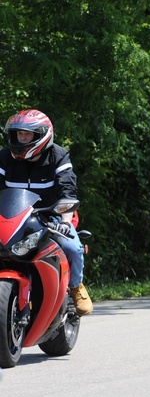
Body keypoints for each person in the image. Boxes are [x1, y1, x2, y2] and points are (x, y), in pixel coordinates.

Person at [1, 109, 92, 315]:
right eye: (18, 134)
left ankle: (76, 286)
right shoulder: (5, 157)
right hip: (11, 216)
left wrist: (66, 222)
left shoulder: (58, 156)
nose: (21, 138)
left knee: (72, 246)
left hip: (52, 215)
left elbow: (67, 191)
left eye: (26, 134)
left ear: (41, 136)